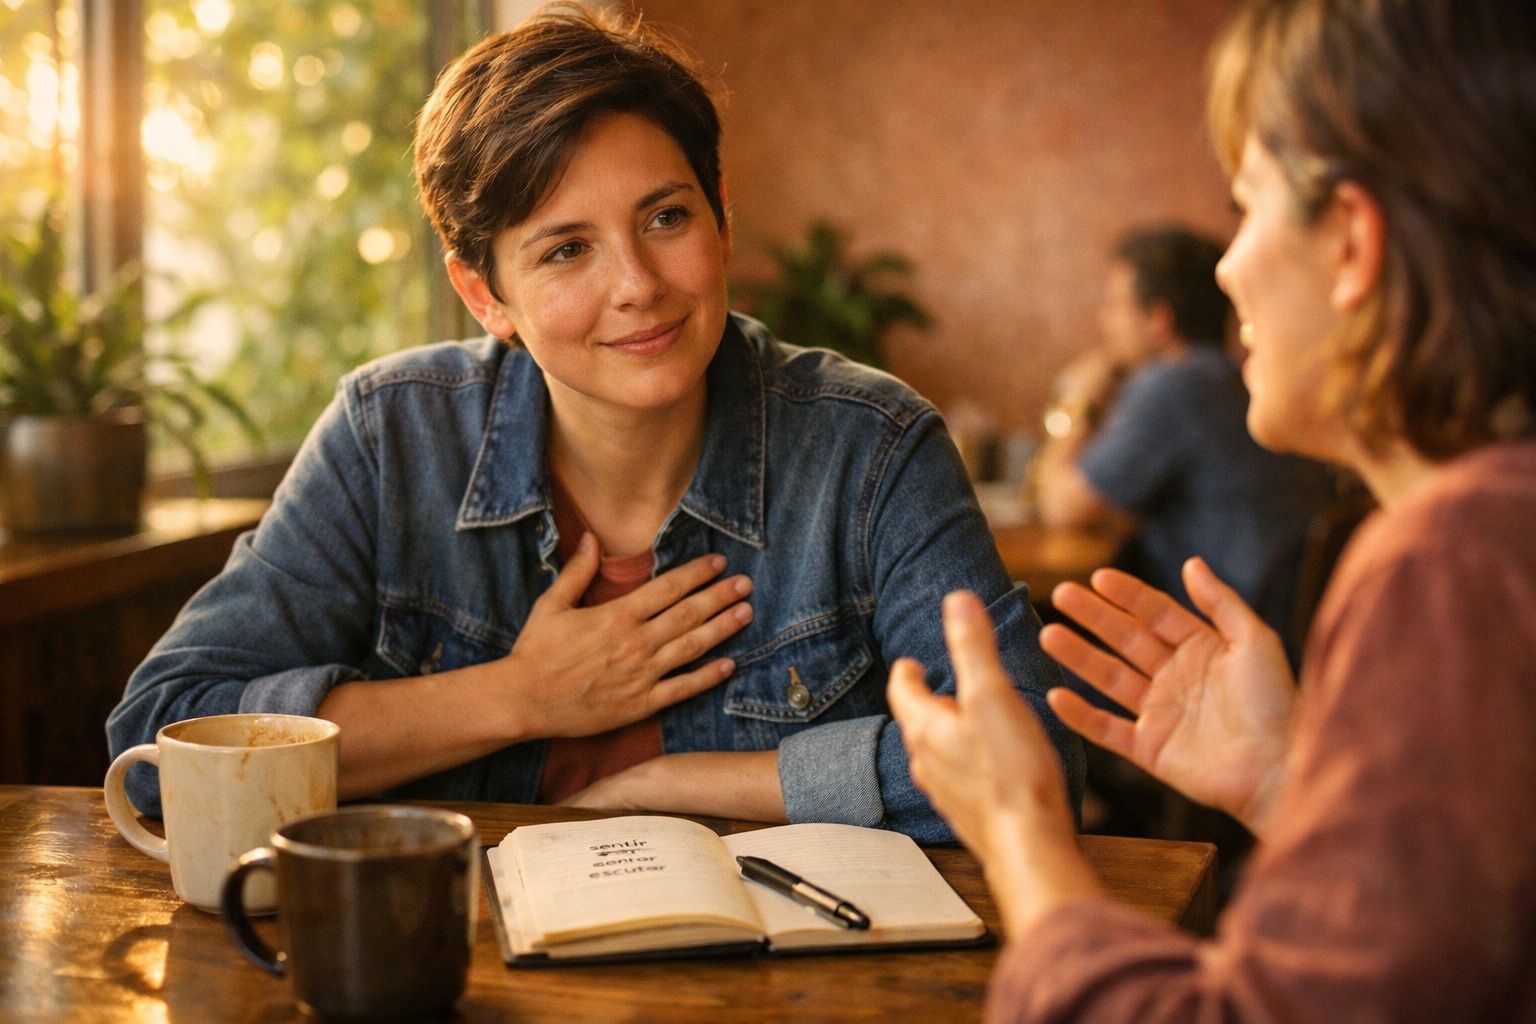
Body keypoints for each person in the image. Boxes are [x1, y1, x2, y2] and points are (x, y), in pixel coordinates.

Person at [105, 4, 1081, 842]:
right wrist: (517, 697)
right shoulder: (390, 438)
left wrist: (668, 788)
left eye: (666, 218)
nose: (638, 287)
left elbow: (1034, 761)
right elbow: (158, 744)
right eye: (566, 249)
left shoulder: (869, 447)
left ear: (722, 220)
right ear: (485, 293)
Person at [889, 0, 1536, 1019]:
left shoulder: (1454, 559)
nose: (1229, 266)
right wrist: (1289, 782)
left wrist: (1019, 827)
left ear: (1353, 244)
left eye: (1248, 207)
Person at [1032, 225, 1333, 668]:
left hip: (1224, 648)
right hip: (1291, 639)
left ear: (1159, 319)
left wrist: (1074, 401)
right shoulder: (1237, 377)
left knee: (1035, 667)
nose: (1105, 321)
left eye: (1116, 305)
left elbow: (1061, 506)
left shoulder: (1172, 386)